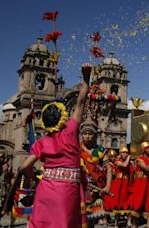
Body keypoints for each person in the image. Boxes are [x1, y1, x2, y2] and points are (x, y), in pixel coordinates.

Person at [20, 63, 92, 228]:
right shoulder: (71, 131)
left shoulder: (42, 142)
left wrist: (37, 180)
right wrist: (86, 77)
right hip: (66, 192)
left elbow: (24, 166)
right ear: (63, 117)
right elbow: (80, 101)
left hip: (45, 190)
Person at [79, 118, 106, 227]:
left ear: (94, 136)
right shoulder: (76, 148)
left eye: (90, 133)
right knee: (78, 217)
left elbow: (108, 167)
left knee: (92, 219)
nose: (87, 136)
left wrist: (107, 185)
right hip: (79, 188)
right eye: (85, 133)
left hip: (96, 188)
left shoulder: (100, 150)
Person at [126, 141, 149, 228]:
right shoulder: (139, 159)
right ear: (143, 150)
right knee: (138, 202)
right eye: (147, 148)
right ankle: (134, 224)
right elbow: (147, 168)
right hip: (140, 183)